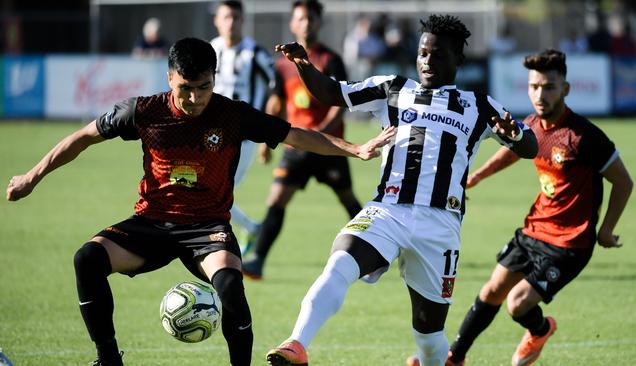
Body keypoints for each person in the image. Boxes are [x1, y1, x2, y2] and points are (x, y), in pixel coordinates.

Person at [5, 37, 395, 366]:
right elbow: (83, 136)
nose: (194, 98)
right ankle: (109, 360)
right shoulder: (143, 111)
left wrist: (354, 149)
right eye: (185, 88)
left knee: (230, 286)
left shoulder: (231, 115)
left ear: (214, 79)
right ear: (170, 78)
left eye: (204, 87)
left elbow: (295, 134)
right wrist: (31, 176)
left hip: (207, 228)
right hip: (151, 224)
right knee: (86, 259)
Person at [264, 14, 538, 366]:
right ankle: (296, 344)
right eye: (423, 53)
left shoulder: (479, 106)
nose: (427, 61)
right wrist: (304, 65)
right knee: (339, 263)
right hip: (388, 210)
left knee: (429, 335)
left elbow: (530, 146)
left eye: (437, 55)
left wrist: (515, 134)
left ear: (458, 59)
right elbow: (332, 92)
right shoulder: (393, 89)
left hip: (439, 226)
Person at [413, 49, 633, 366]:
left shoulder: (584, 137)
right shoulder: (532, 124)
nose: (540, 94)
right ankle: (454, 358)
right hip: (534, 230)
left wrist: (607, 229)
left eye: (549, 86)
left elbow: (624, 182)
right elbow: (513, 151)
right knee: (491, 291)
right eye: (534, 87)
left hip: (569, 243)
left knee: (517, 304)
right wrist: (477, 176)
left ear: (565, 89)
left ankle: (541, 330)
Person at [242, 0, 364, 280]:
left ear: (320, 23)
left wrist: (322, 130)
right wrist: (264, 141)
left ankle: (378, 248)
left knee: (348, 200)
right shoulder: (281, 64)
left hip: (329, 146)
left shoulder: (330, 60)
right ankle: (258, 260)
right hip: (296, 145)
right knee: (276, 200)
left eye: (311, 18)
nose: (306, 23)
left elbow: (341, 101)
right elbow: (276, 103)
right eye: (301, 18)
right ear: (292, 23)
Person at [210, 0, 276, 254]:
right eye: (225, 17)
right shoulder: (211, 50)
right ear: (217, 20)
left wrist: (266, 133)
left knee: (219, 194)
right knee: (212, 192)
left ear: (242, 20)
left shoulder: (255, 53)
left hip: (244, 137)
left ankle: (226, 241)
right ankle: (248, 229)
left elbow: (276, 89)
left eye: (235, 17)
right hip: (213, 135)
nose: (230, 22)